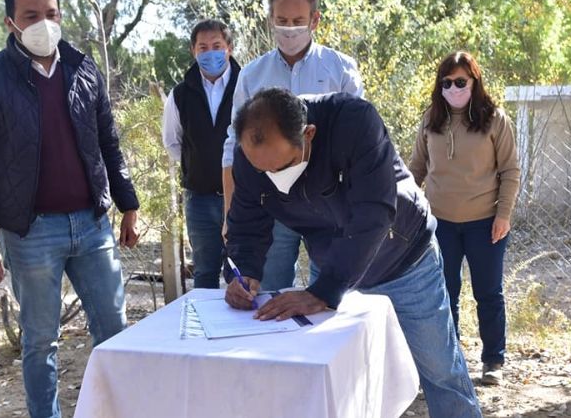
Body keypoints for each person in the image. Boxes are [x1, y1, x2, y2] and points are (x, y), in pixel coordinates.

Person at [223, 88, 482, 417]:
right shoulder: (252, 160)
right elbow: (246, 223)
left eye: (282, 165)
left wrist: (325, 290)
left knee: (440, 369)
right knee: (335, 375)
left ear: (309, 134)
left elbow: (373, 214)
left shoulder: (353, 120)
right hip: (331, 263)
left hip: (403, 257)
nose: (272, 177)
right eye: (263, 171)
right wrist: (243, 273)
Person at [0, 0, 139, 418]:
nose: (44, 23)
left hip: (93, 225)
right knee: (41, 341)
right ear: (11, 22)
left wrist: (128, 204)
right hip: (30, 231)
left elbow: (108, 143)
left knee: (115, 330)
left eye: (51, 14)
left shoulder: (84, 68)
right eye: (31, 16)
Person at [221, 0, 363, 291]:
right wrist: (231, 214)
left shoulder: (341, 68)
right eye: (282, 21)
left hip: (330, 203)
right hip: (271, 203)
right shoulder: (252, 75)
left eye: (298, 22)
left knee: (330, 295)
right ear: (271, 20)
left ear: (315, 20)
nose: (290, 30)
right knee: (265, 291)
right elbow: (236, 146)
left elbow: (359, 143)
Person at [409, 51, 520, 386]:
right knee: (445, 292)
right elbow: (416, 168)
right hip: (440, 223)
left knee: (488, 292)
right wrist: (404, 204)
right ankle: (450, 360)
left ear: (475, 82)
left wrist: (503, 215)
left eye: (461, 82)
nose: (454, 88)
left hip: (485, 223)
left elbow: (511, 171)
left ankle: (493, 361)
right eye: (447, 82)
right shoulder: (431, 118)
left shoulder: (495, 119)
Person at [162, 19, 241, 288]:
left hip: (244, 198)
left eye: (217, 46)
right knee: (205, 273)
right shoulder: (180, 95)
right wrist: (199, 167)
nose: (210, 53)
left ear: (229, 48)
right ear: (193, 51)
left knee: (244, 272)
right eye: (203, 47)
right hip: (200, 200)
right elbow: (173, 142)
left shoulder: (248, 86)